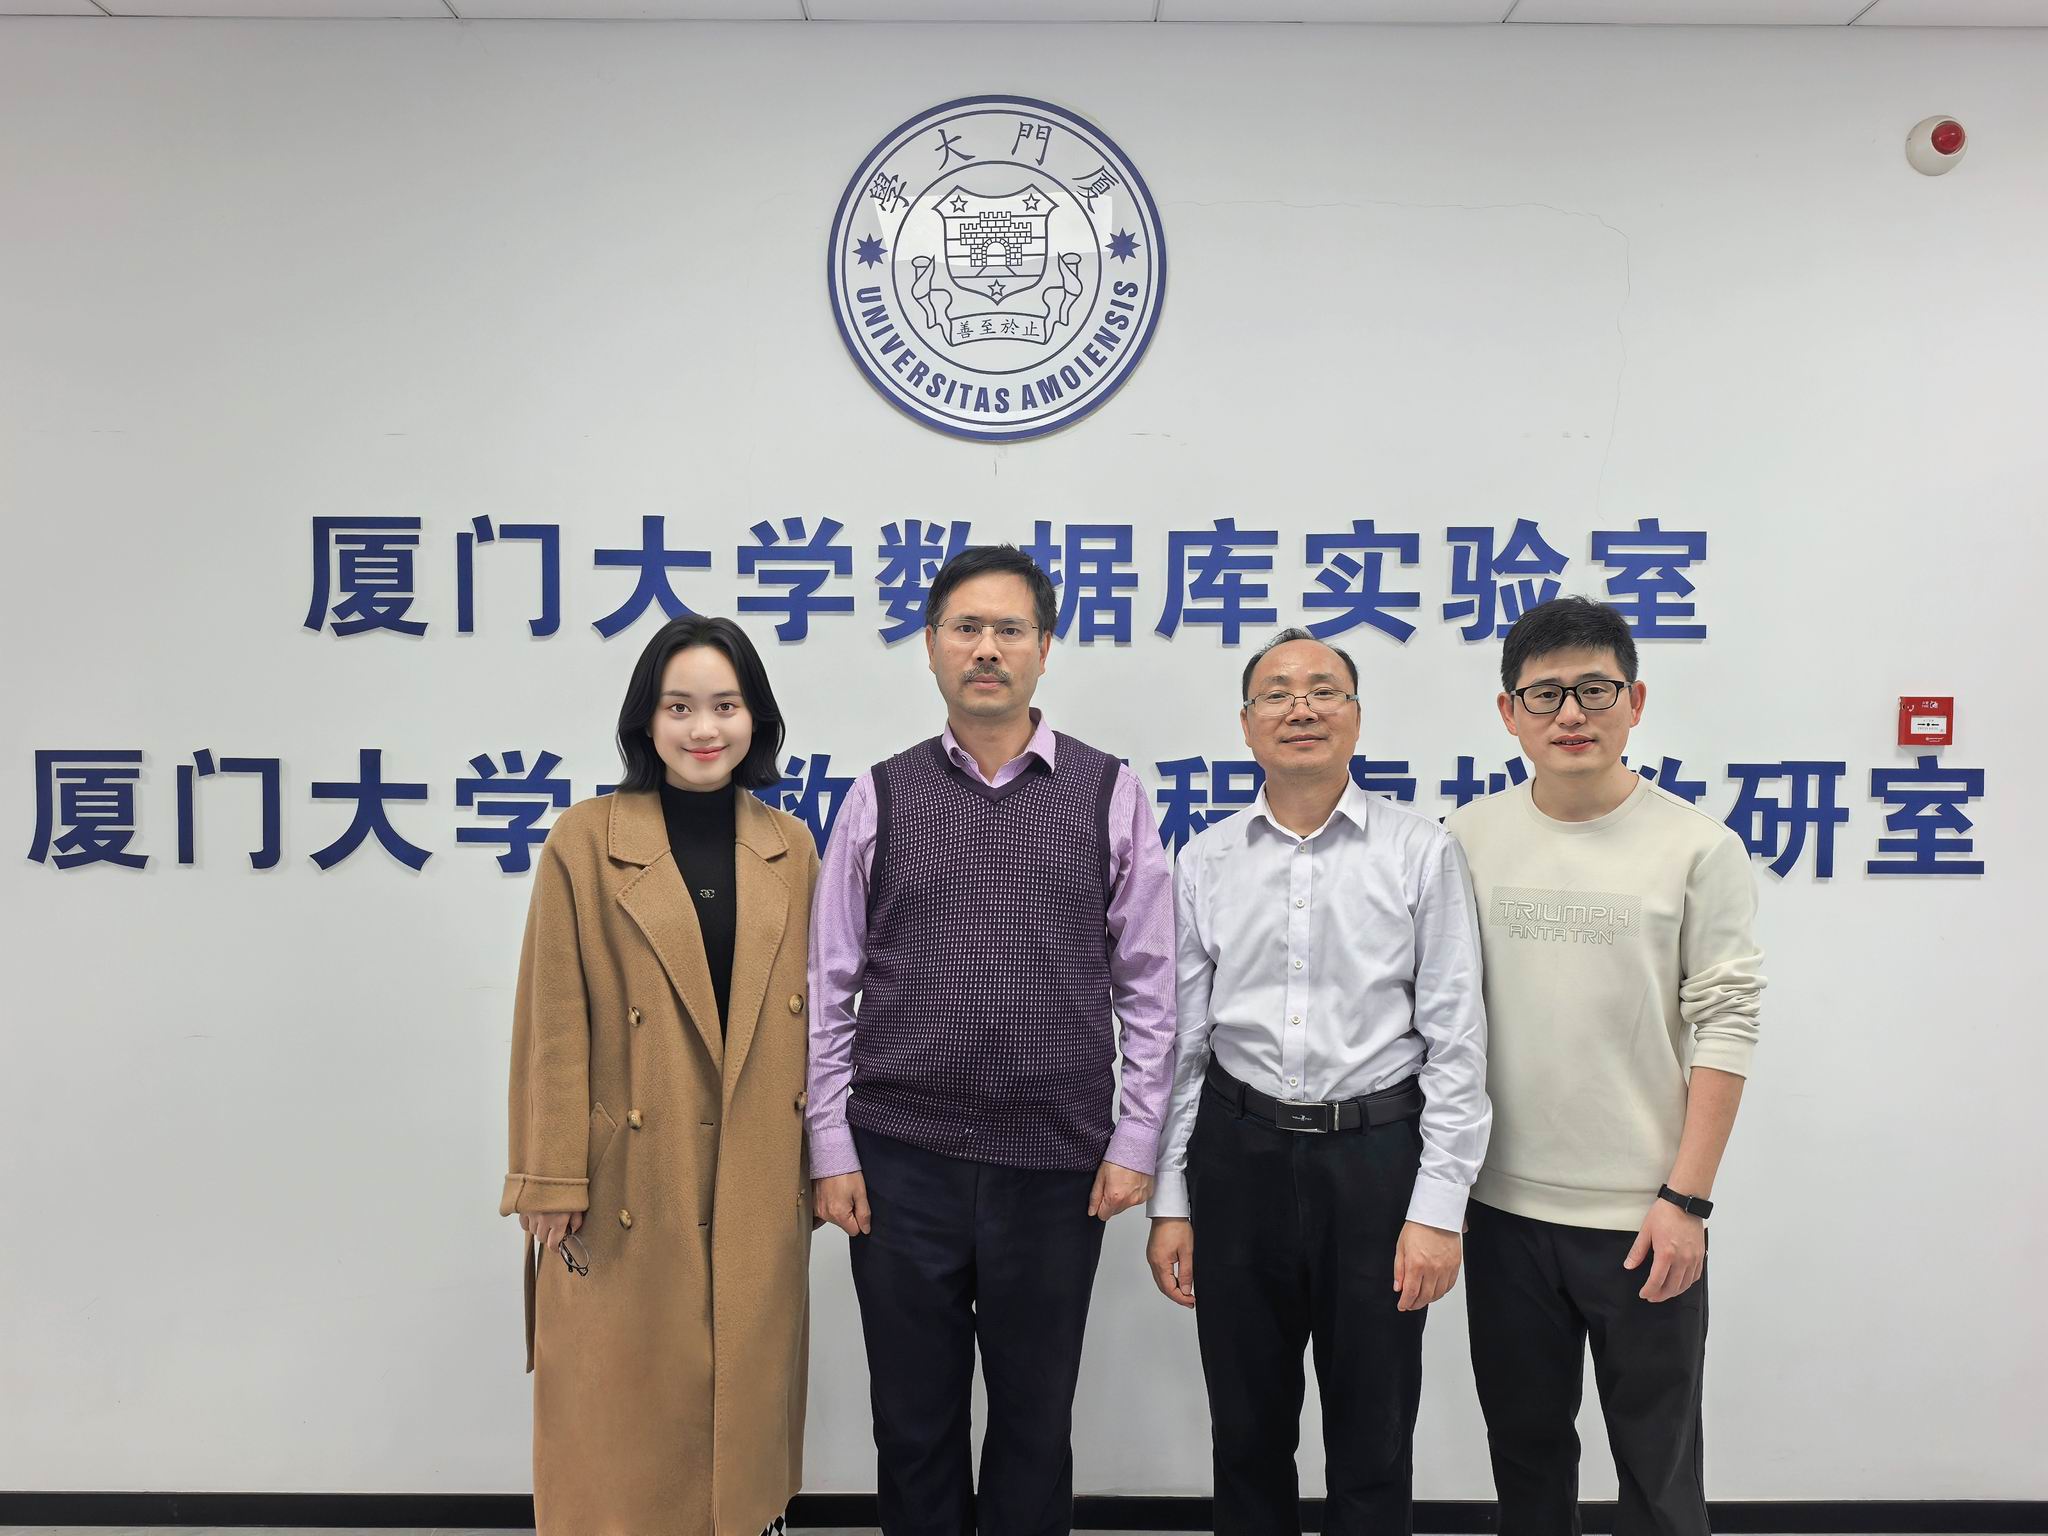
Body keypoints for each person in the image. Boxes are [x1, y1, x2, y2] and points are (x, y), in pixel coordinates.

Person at [806, 544, 1176, 1536]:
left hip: (1054, 1165)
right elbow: (828, 984)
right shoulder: (880, 794)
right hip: (899, 1163)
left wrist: (1136, 1136)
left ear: (1044, 649)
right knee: (912, 1425)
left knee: (1033, 1426)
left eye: (1009, 629)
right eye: (965, 628)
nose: (986, 649)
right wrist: (831, 1147)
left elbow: (1150, 986)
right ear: (929, 644)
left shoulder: (1108, 791)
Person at [1145, 627, 1491, 1536]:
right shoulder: (1205, 859)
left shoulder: (1419, 851)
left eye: (1324, 690)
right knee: (1246, 1431)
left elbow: (1457, 1040)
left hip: (1377, 1162)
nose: (1301, 708)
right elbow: (1182, 1044)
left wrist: (1438, 1209)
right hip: (1237, 1157)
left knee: (1373, 1433)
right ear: (1247, 724)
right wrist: (1171, 1199)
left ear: (1357, 717)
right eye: (1278, 693)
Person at [1445, 596, 1765, 1536]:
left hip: (1643, 1218)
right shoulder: (1466, 839)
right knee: (1526, 1458)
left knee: (1659, 1475)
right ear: (1509, 713)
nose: (1571, 715)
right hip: (1502, 1210)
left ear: (1636, 701)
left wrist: (1687, 1201)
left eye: (1595, 689)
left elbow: (1728, 1027)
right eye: (1544, 695)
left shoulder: (1698, 847)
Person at [499, 615, 821, 1536]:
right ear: (646, 719)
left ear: (756, 718)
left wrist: (824, 1163)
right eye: (679, 707)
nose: (703, 728)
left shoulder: (791, 845)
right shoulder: (585, 839)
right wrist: (550, 1174)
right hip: (629, 1175)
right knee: (623, 1419)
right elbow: (553, 1020)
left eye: (725, 705)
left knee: (744, 1416)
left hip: (758, 1167)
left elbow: (822, 1014)